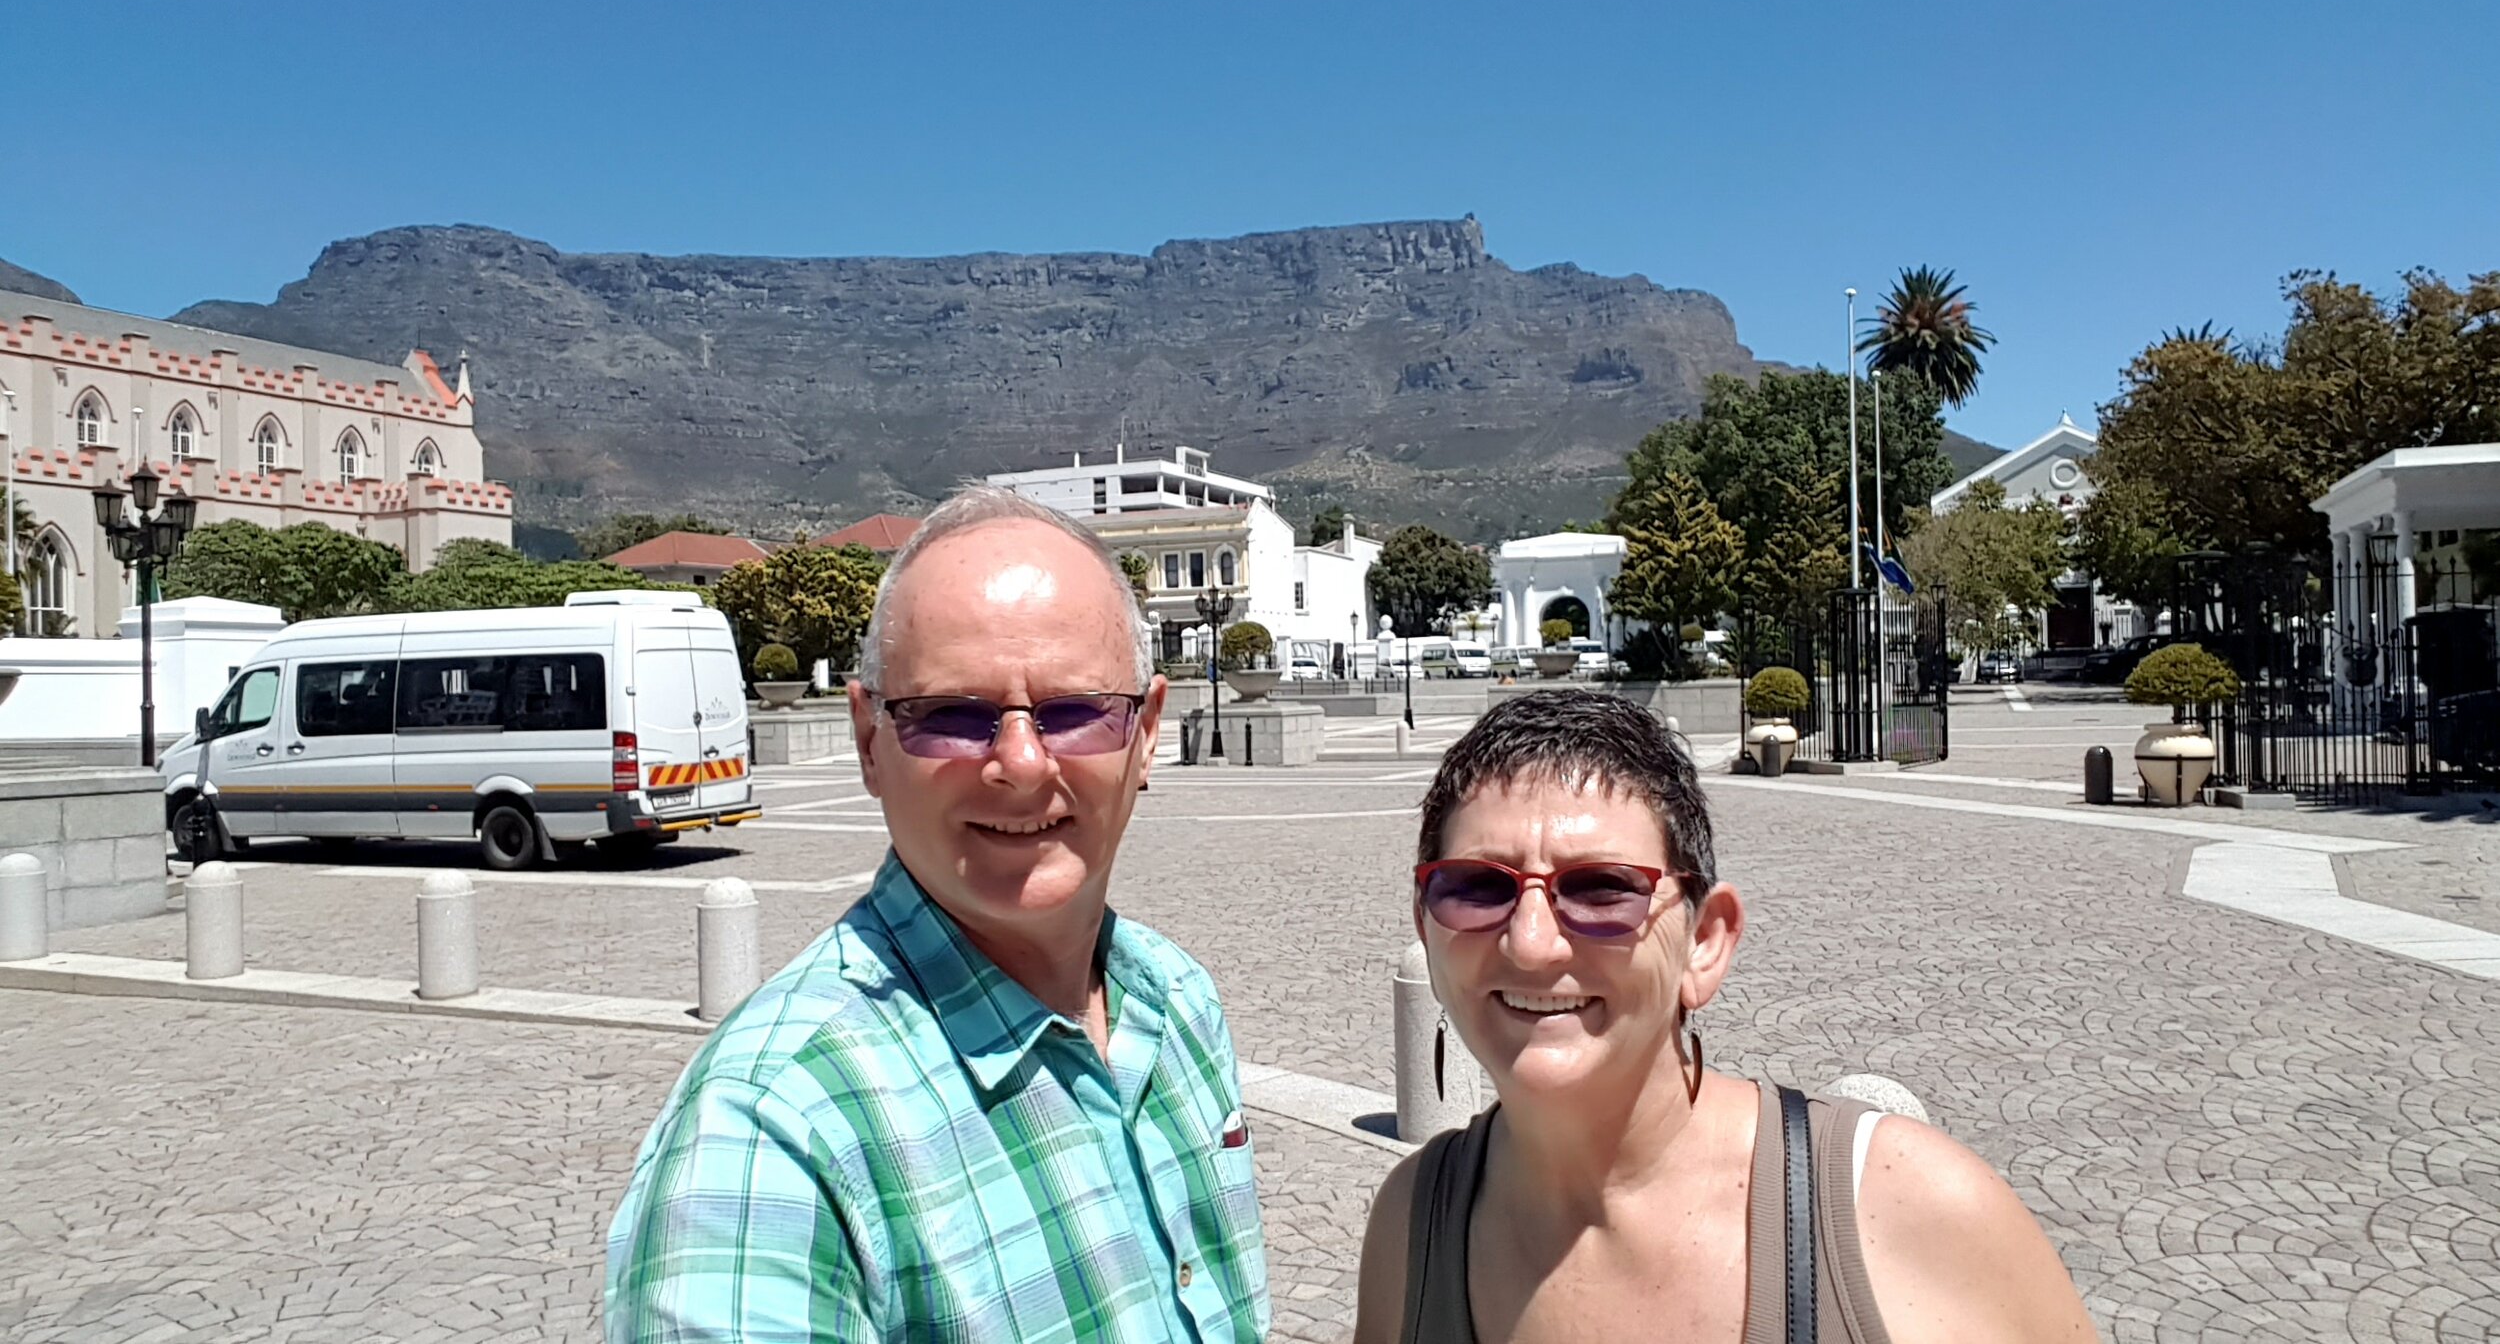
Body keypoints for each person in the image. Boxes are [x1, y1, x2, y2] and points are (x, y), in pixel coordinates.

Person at [607, 486, 1267, 1342]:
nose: (1022, 764)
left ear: (1146, 734)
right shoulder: (770, 1138)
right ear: (868, 739)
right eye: (952, 717)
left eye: (1074, 714)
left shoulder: (1179, 1004)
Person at [1354, 689, 2095, 1343]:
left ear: (1704, 944)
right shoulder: (1413, 1225)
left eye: (1603, 889)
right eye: (1479, 888)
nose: (1533, 943)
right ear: (1427, 927)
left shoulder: (1908, 1212)